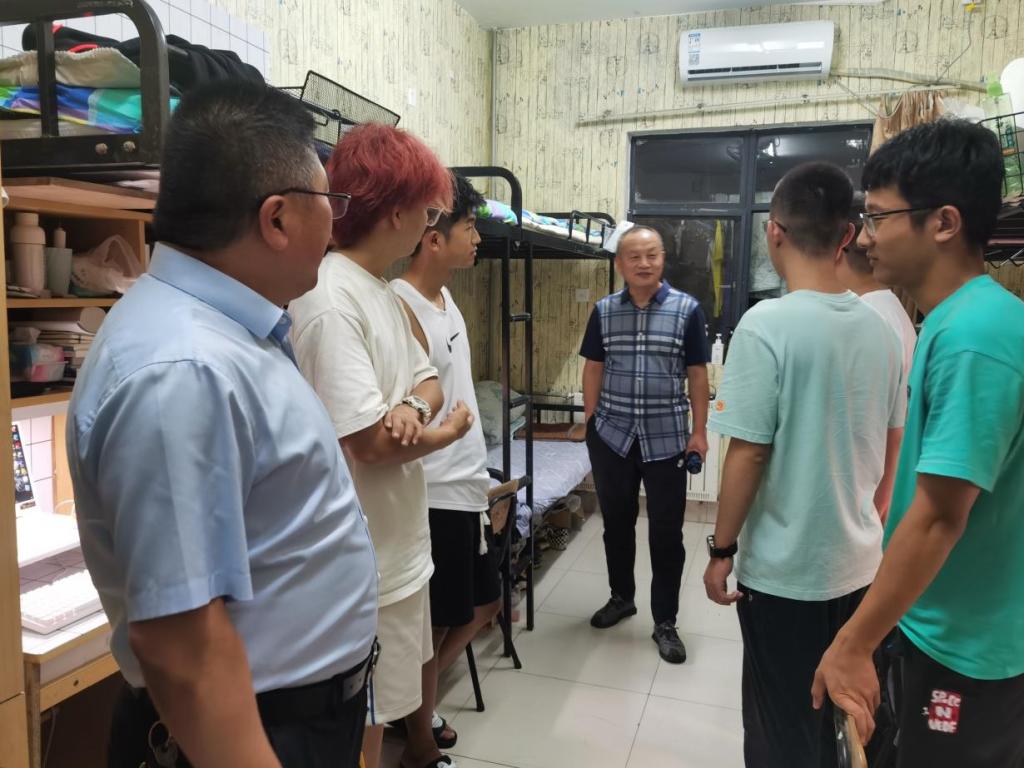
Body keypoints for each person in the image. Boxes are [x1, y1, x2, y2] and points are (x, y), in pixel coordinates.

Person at [67, 80, 377, 768]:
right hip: (249, 735)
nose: (335, 226)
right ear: (277, 219)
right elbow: (181, 650)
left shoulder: (231, 335)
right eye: (329, 202)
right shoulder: (181, 369)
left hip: (297, 717)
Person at [813, 120, 1024, 768]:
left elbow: (938, 518)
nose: (866, 237)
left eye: (879, 217)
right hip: (940, 622)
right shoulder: (954, 320)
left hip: (968, 647)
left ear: (944, 223)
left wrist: (853, 642)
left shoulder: (974, 337)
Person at [703, 162, 905, 768]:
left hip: (785, 575)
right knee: (840, 722)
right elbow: (892, 444)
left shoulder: (766, 324)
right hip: (860, 566)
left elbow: (749, 451)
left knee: (781, 726)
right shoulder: (882, 330)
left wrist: (721, 549)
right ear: (847, 236)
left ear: (774, 232)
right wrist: (869, 517)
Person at [288, 123, 472, 768]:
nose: (429, 223)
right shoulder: (331, 298)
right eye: (428, 210)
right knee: (362, 723)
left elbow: (427, 377)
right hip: (361, 557)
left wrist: (413, 408)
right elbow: (367, 443)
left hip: (397, 541)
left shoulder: (382, 292)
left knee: (388, 699)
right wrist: (443, 432)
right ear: (397, 213)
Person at [391, 173, 501, 733]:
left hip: (467, 481)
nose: (478, 238)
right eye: (470, 227)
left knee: (485, 606)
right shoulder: (401, 305)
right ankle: (417, 723)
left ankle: (416, 699)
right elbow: (406, 407)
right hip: (435, 489)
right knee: (433, 621)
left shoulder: (445, 298)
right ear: (434, 238)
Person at [579, 225, 710, 664]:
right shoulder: (603, 311)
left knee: (666, 534)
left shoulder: (687, 310)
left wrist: (699, 432)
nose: (644, 263)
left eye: (652, 254)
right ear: (620, 263)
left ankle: (665, 621)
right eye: (634, 256)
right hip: (612, 437)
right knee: (616, 524)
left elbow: (697, 375)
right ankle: (622, 598)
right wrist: (591, 420)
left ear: (663, 259)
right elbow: (593, 367)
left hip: (667, 440)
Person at [835, 194, 918, 523]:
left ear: (840, 246)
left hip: (867, 500)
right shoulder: (891, 309)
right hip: (883, 492)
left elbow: (870, 428)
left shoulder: (866, 320)